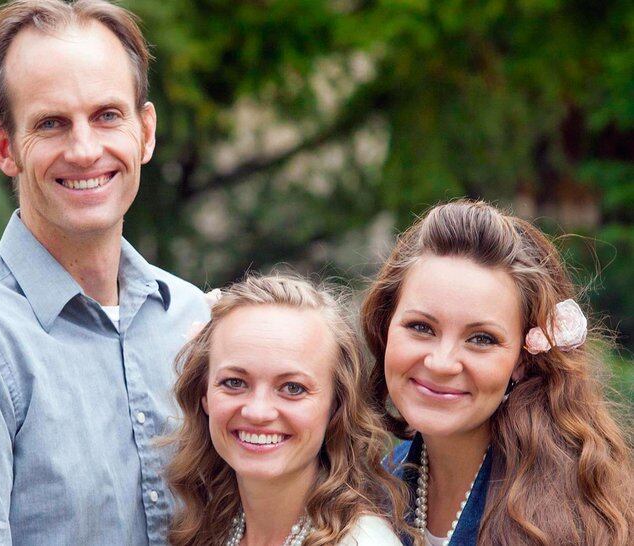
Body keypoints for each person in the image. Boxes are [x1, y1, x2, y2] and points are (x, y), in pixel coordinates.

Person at [0, 1, 208, 544]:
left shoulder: (192, 318)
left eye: (107, 115)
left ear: (145, 132)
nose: (84, 150)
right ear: (4, 147)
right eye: (52, 124)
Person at [362, 200, 633, 546]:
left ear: (522, 359)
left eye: (481, 339)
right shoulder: (371, 493)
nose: (442, 363)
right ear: (385, 328)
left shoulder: (572, 519)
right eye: (421, 327)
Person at [167, 275, 410, 546]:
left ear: (337, 406)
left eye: (292, 388)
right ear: (204, 396)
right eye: (234, 382)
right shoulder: (210, 529)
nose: (258, 412)